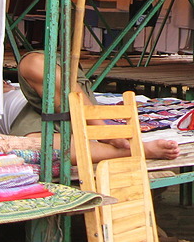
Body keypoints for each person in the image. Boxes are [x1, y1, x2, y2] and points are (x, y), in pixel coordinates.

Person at [10, 51, 180, 162]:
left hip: (68, 101)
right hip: (36, 117)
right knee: (33, 144)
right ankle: (137, 150)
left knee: (35, 63)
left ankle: (101, 129)